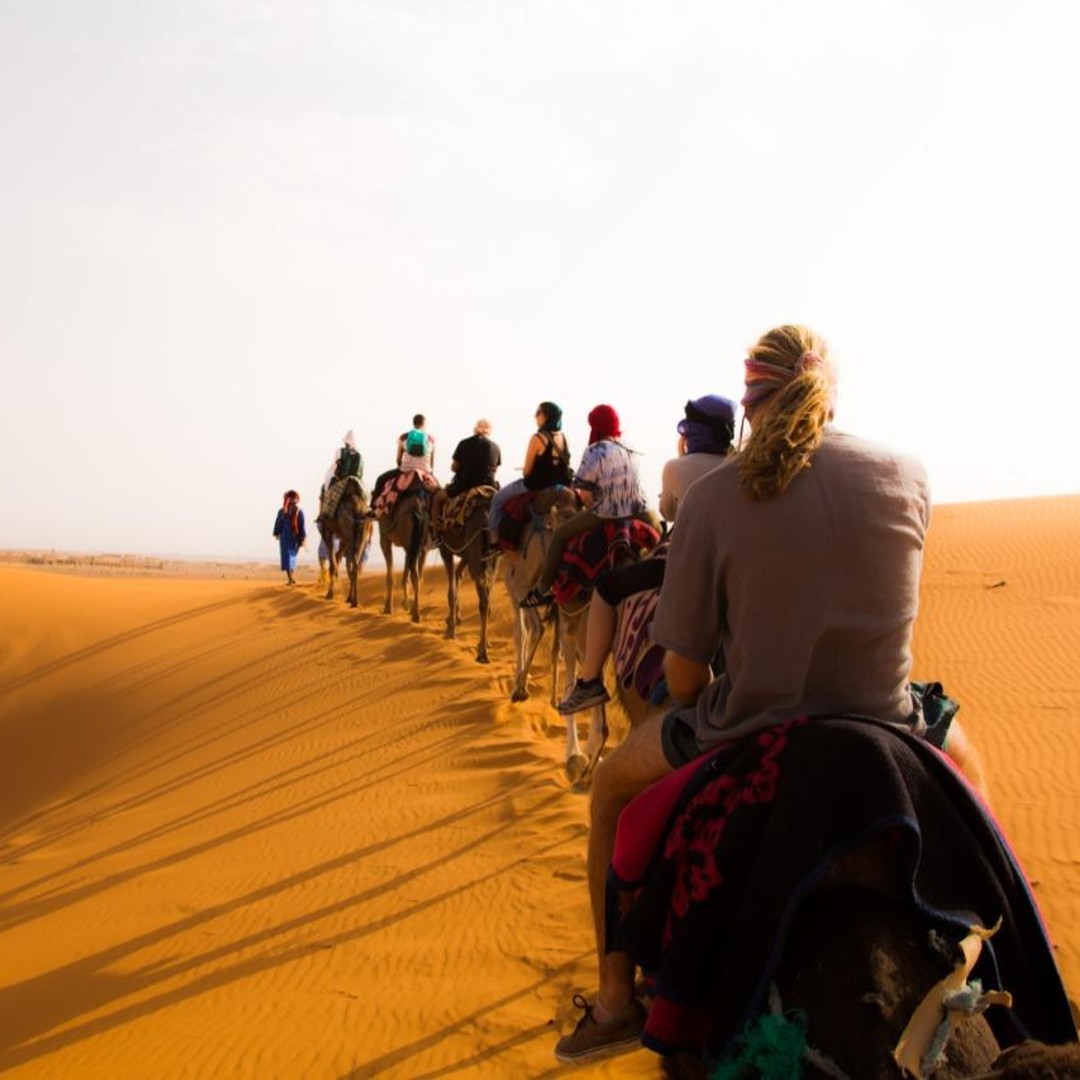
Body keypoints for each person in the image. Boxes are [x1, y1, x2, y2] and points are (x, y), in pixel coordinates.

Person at [553, 324, 934, 1065]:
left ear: (751, 401)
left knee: (607, 793)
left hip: (751, 729)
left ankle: (614, 1002)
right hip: (893, 725)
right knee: (972, 786)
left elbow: (687, 677)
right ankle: (1012, 947)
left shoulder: (716, 495)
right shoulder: (910, 472)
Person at [556, 394, 737, 715]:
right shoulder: (741, 466)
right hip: (735, 561)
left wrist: (680, 459)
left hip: (686, 561)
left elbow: (669, 508)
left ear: (690, 432)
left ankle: (589, 681)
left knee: (606, 586)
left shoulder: (676, 467)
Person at [521, 404, 649, 608]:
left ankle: (542, 590)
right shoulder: (630, 447)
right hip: (638, 511)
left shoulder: (595, 450)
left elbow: (585, 494)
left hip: (606, 512)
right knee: (660, 536)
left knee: (559, 535)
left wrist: (589, 505)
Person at [486, 401, 573, 543]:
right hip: (559, 485)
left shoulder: (537, 438)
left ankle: (493, 538)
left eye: (538, 413)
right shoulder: (564, 438)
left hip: (535, 486)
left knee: (497, 499)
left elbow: (527, 472)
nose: (535, 416)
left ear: (546, 416)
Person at [431, 419, 502, 536]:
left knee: (437, 499)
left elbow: (454, 468)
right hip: (489, 487)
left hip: (464, 486)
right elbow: (494, 470)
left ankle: (435, 535)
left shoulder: (464, 443)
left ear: (475, 429)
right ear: (489, 431)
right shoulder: (496, 447)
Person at [319, 430, 364, 522]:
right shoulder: (353, 454)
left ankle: (325, 514)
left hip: (348, 479)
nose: (346, 444)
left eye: (347, 442)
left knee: (329, 490)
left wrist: (340, 475)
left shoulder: (350, 454)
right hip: (353, 480)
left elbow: (350, 470)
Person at [273, 489, 307, 586]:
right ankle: (291, 579)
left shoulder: (284, 511)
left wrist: (277, 533)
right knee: (291, 558)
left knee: (289, 558)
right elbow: (302, 526)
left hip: (288, 538)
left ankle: (291, 579)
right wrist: (302, 538)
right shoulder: (298, 511)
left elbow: (278, 524)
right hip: (293, 538)